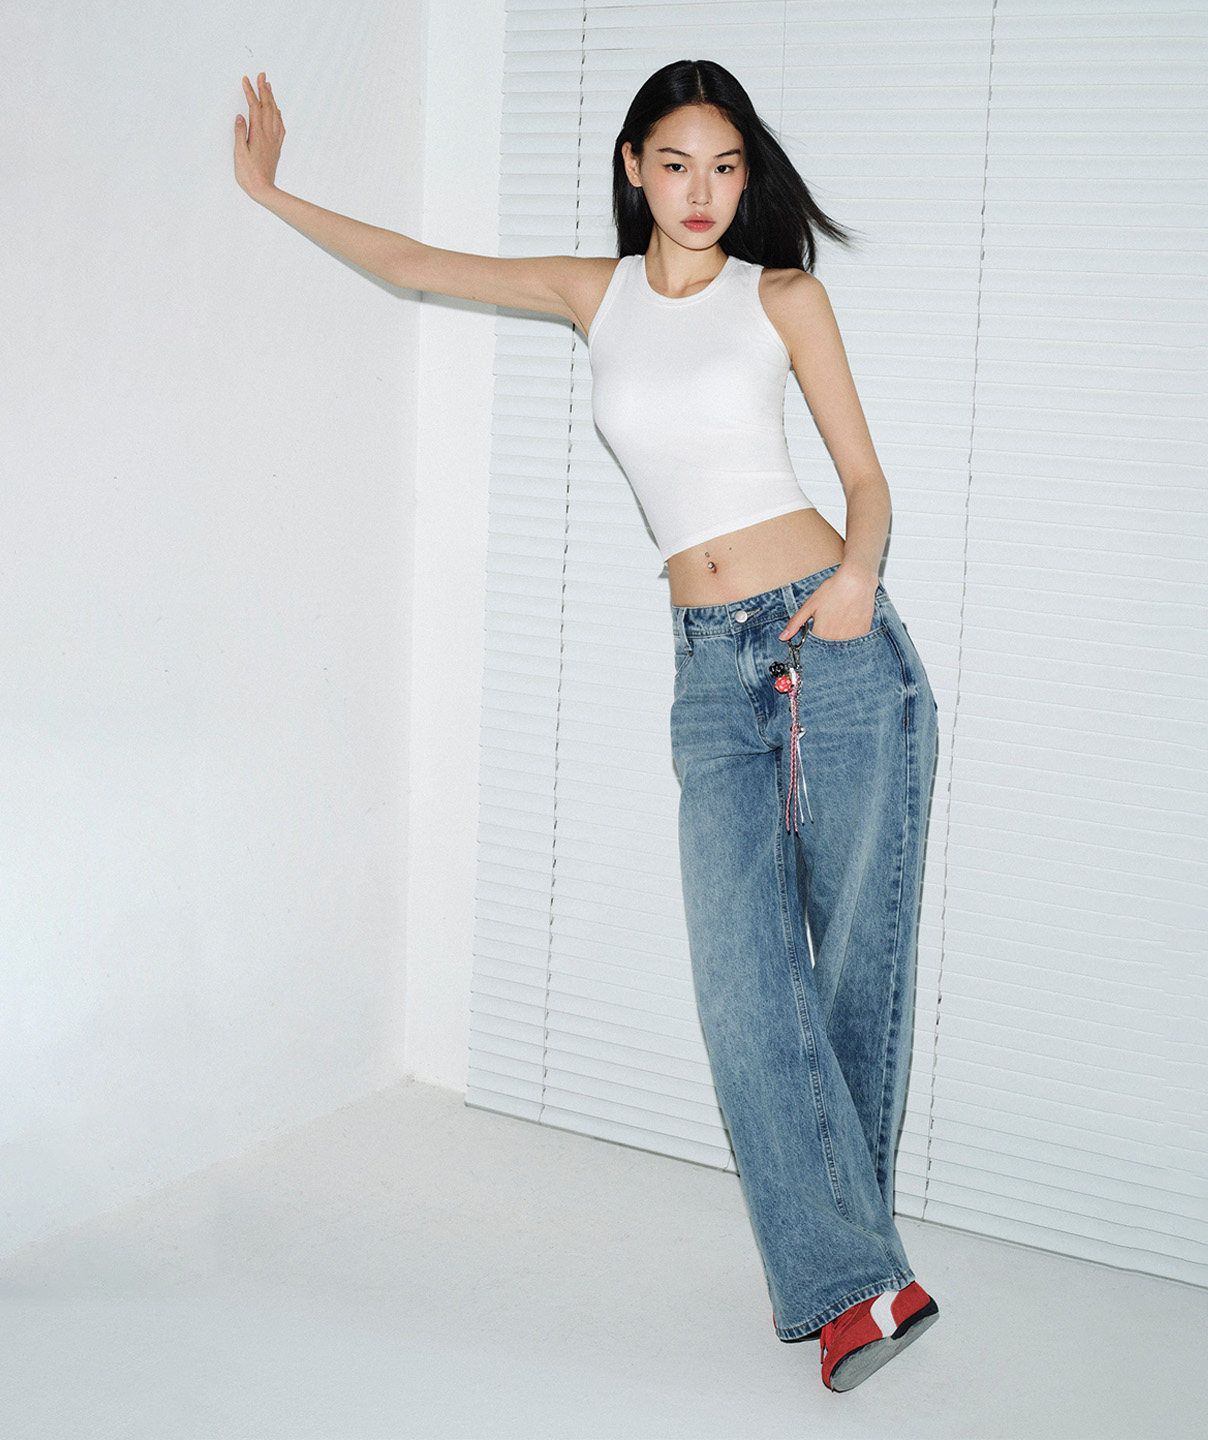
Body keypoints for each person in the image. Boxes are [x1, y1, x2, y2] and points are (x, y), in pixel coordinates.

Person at [234, 57, 941, 1393]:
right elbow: (416, 263)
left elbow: (866, 479)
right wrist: (275, 193)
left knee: (851, 975)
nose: (702, 192)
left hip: (834, 642)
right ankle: (865, 1275)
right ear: (633, 167)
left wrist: (857, 576)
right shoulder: (593, 293)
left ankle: (856, 1288)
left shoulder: (782, 295)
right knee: (745, 988)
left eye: (725, 167)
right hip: (709, 673)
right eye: (676, 164)